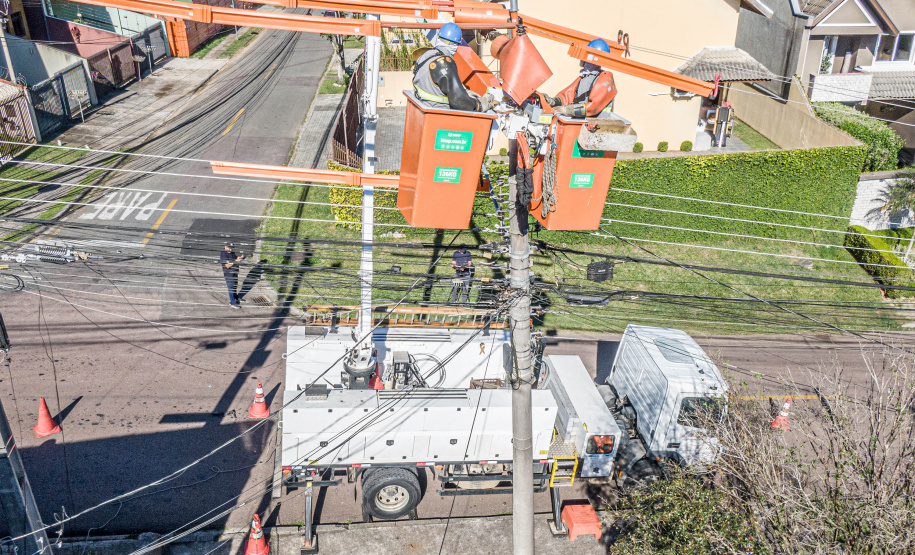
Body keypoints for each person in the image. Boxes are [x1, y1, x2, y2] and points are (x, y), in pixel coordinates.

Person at [412, 23, 494, 111]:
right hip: (439, 113)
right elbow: (459, 101)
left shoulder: (426, 56)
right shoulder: (445, 63)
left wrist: (464, 92)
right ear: (454, 45)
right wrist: (480, 104)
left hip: (424, 107)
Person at [542, 38, 617, 118]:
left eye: (585, 54)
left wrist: (567, 110)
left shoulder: (604, 80)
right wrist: (554, 101)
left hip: (597, 126)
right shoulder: (585, 77)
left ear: (592, 58)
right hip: (585, 124)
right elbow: (568, 95)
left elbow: (593, 107)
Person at [221, 242, 245, 309]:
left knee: (235, 286)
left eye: (231, 248)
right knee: (231, 288)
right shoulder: (223, 254)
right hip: (229, 274)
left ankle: (236, 298)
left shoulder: (231, 253)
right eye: (229, 247)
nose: (230, 249)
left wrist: (240, 257)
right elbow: (227, 265)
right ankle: (232, 302)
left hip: (234, 273)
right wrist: (237, 261)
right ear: (225, 246)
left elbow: (236, 257)